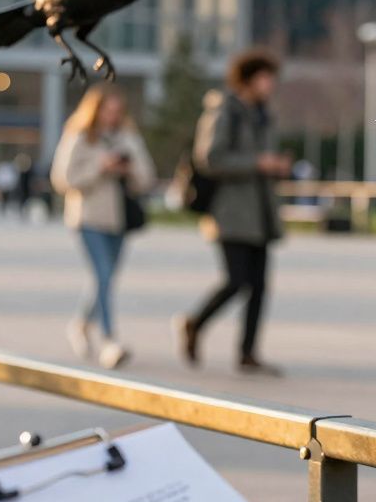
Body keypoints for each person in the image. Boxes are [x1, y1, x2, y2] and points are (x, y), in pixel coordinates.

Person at [175, 51, 287, 375]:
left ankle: (247, 353)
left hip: (260, 212)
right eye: (265, 77)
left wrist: (274, 166)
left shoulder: (263, 114)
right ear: (248, 78)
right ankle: (195, 323)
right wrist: (257, 163)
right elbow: (209, 157)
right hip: (231, 212)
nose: (270, 84)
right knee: (236, 281)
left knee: (260, 287)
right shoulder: (225, 110)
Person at [51, 83, 155, 370]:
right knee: (104, 275)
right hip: (88, 218)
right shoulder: (80, 137)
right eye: (107, 110)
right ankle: (110, 341)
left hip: (119, 220)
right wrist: (100, 167)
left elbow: (147, 178)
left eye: (117, 111)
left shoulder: (128, 138)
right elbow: (63, 179)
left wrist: (128, 169)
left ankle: (81, 324)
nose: (112, 116)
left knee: (104, 279)